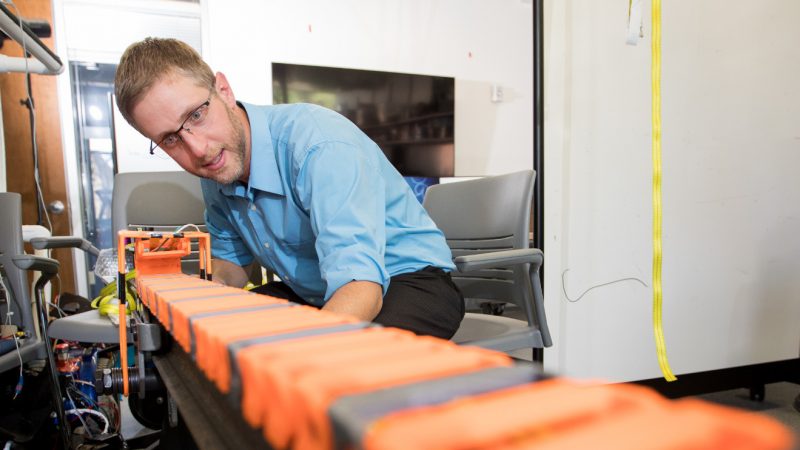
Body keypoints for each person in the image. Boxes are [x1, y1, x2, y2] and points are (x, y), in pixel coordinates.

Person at [114, 37, 464, 339]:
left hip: (408, 282)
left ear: (223, 89)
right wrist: (210, 295)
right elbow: (232, 265)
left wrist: (299, 354)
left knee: (330, 370)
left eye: (196, 115)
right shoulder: (217, 170)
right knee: (209, 339)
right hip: (319, 292)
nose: (198, 150)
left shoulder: (319, 145)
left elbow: (361, 288)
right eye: (171, 139)